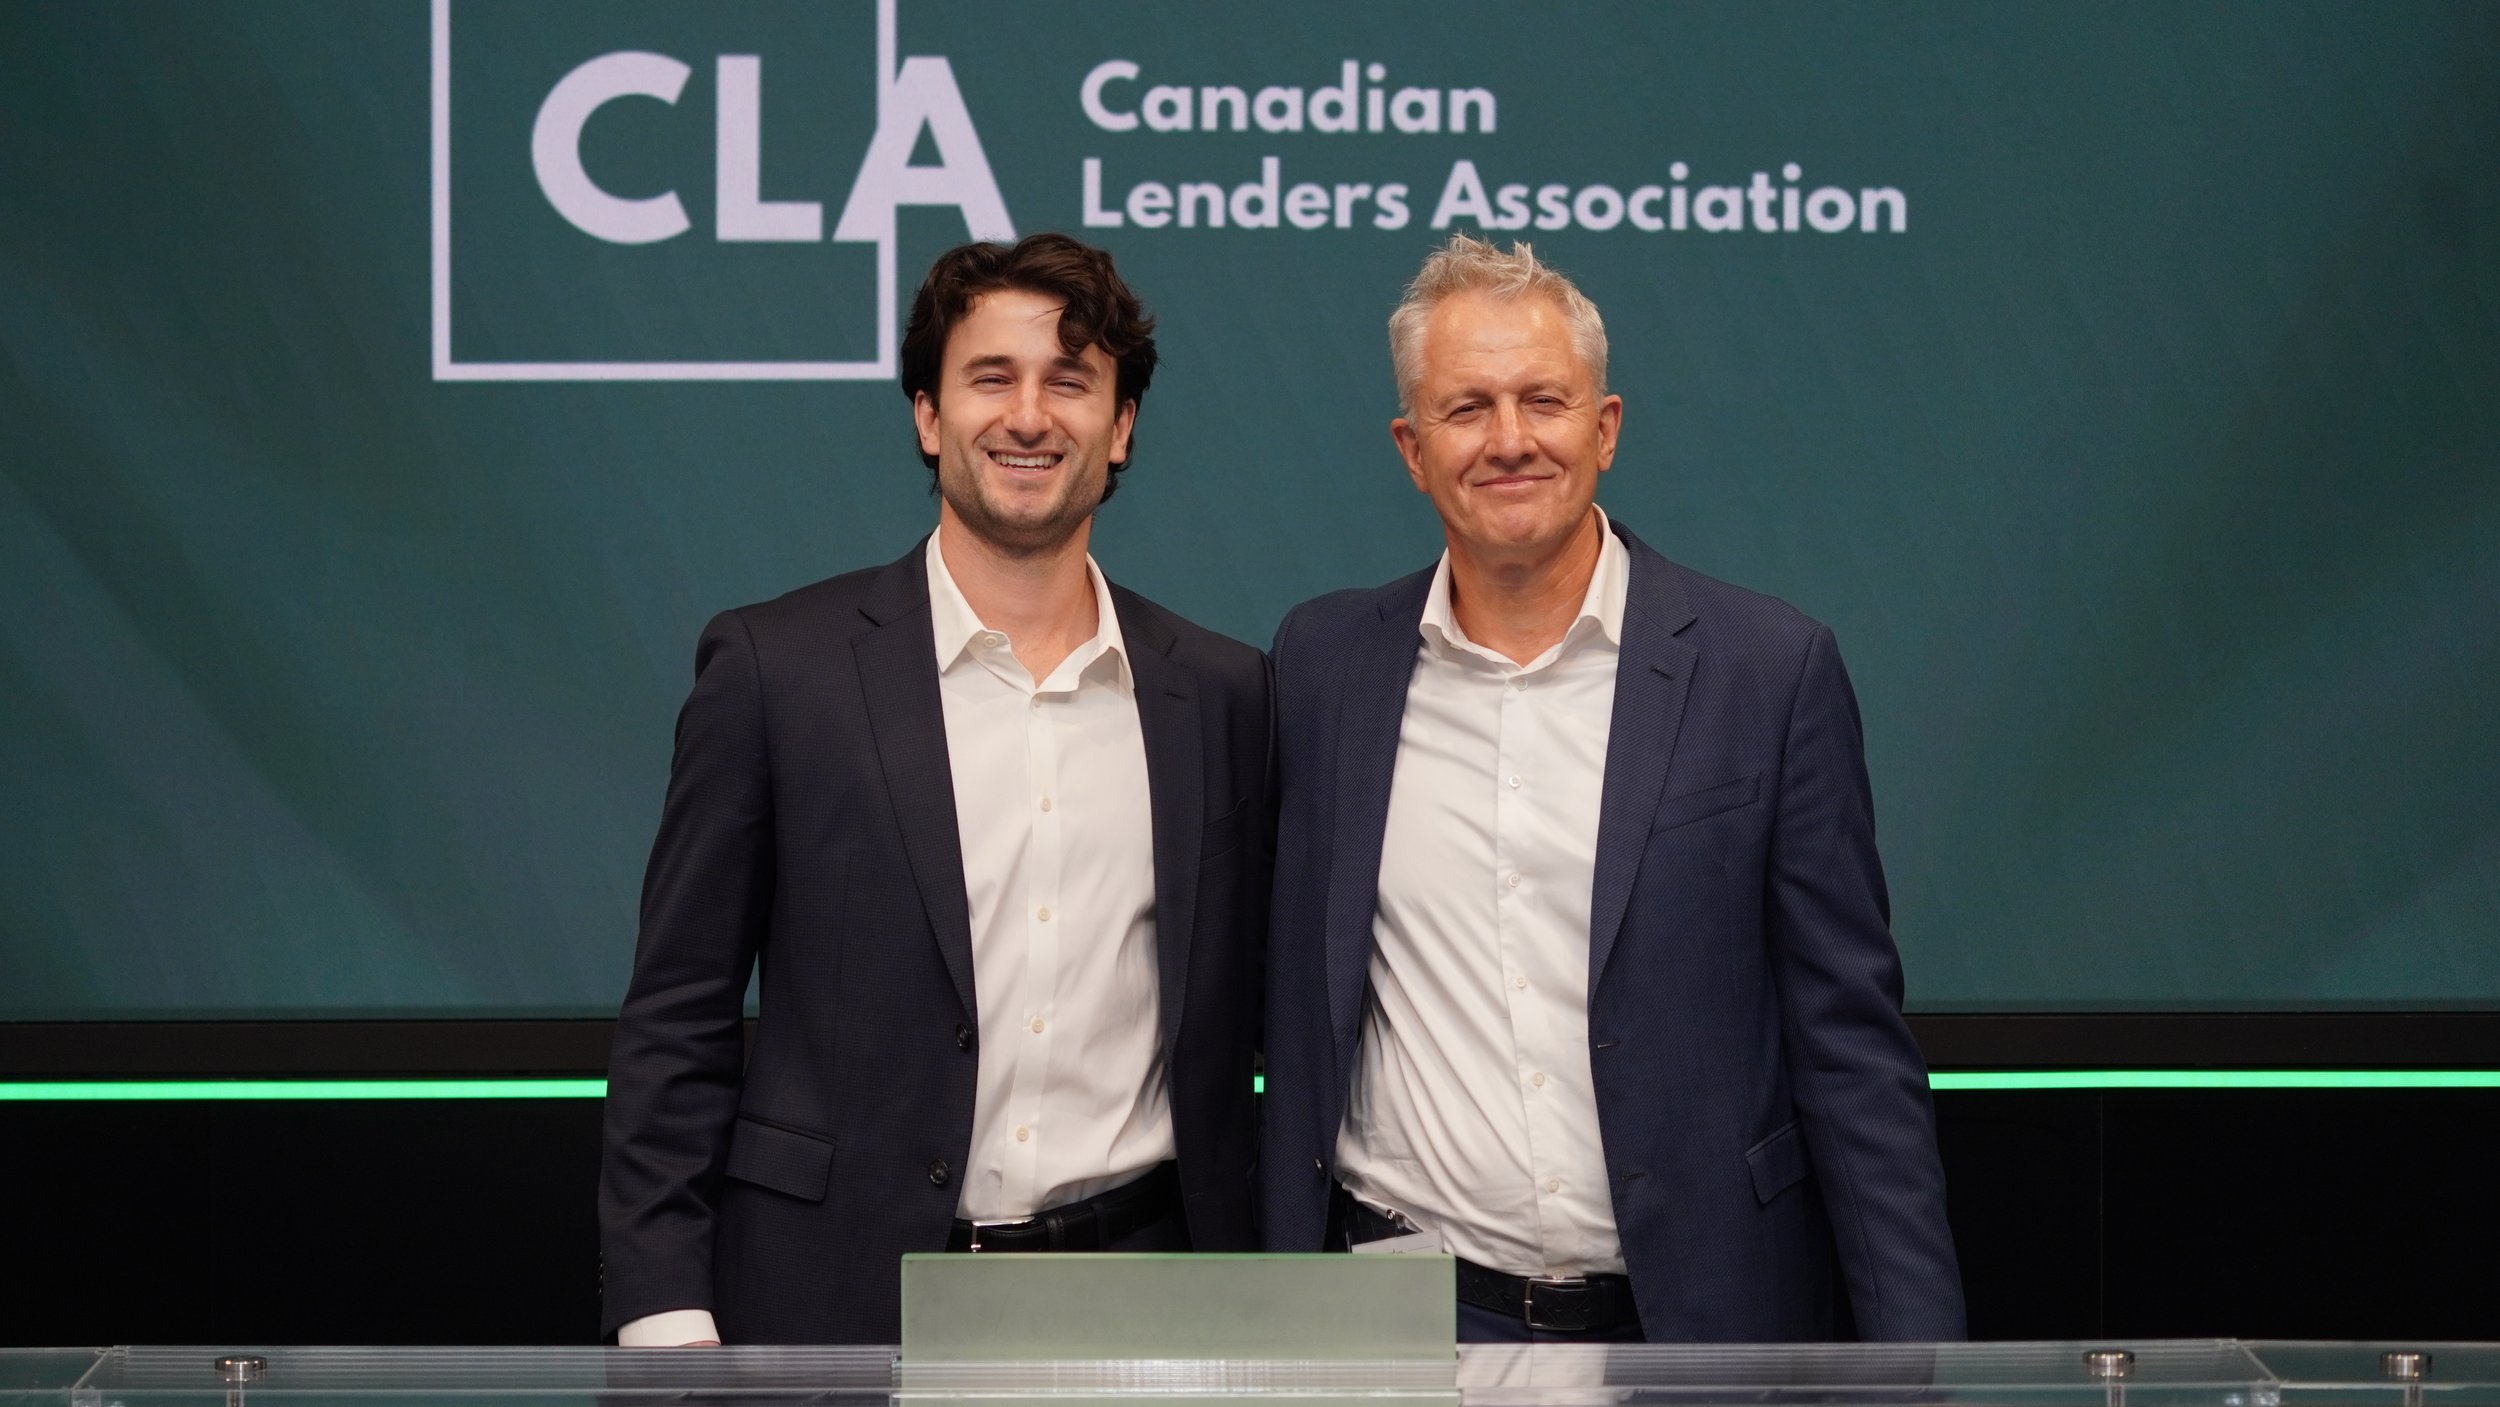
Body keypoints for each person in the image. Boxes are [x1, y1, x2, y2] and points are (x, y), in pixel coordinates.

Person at [1261, 233, 1964, 1343]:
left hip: (1694, 1328)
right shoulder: (1322, 667)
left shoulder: (1766, 672)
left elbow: (1851, 1051)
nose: (1509, 439)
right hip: (1406, 1331)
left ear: (1605, 428)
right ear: (1411, 448)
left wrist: (1920, 1365)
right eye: (1466, 408)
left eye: (1544, 400)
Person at [599, 233, 1270, 1345]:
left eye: (1070, 381)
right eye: (990, 378)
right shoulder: (778, 671)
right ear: (928, 415)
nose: (1028, 416)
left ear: (1121, 427)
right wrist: (664, 1309)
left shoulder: (1223, 692)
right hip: (838, 1300)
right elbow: (680, 1013)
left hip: (1148, 1305)